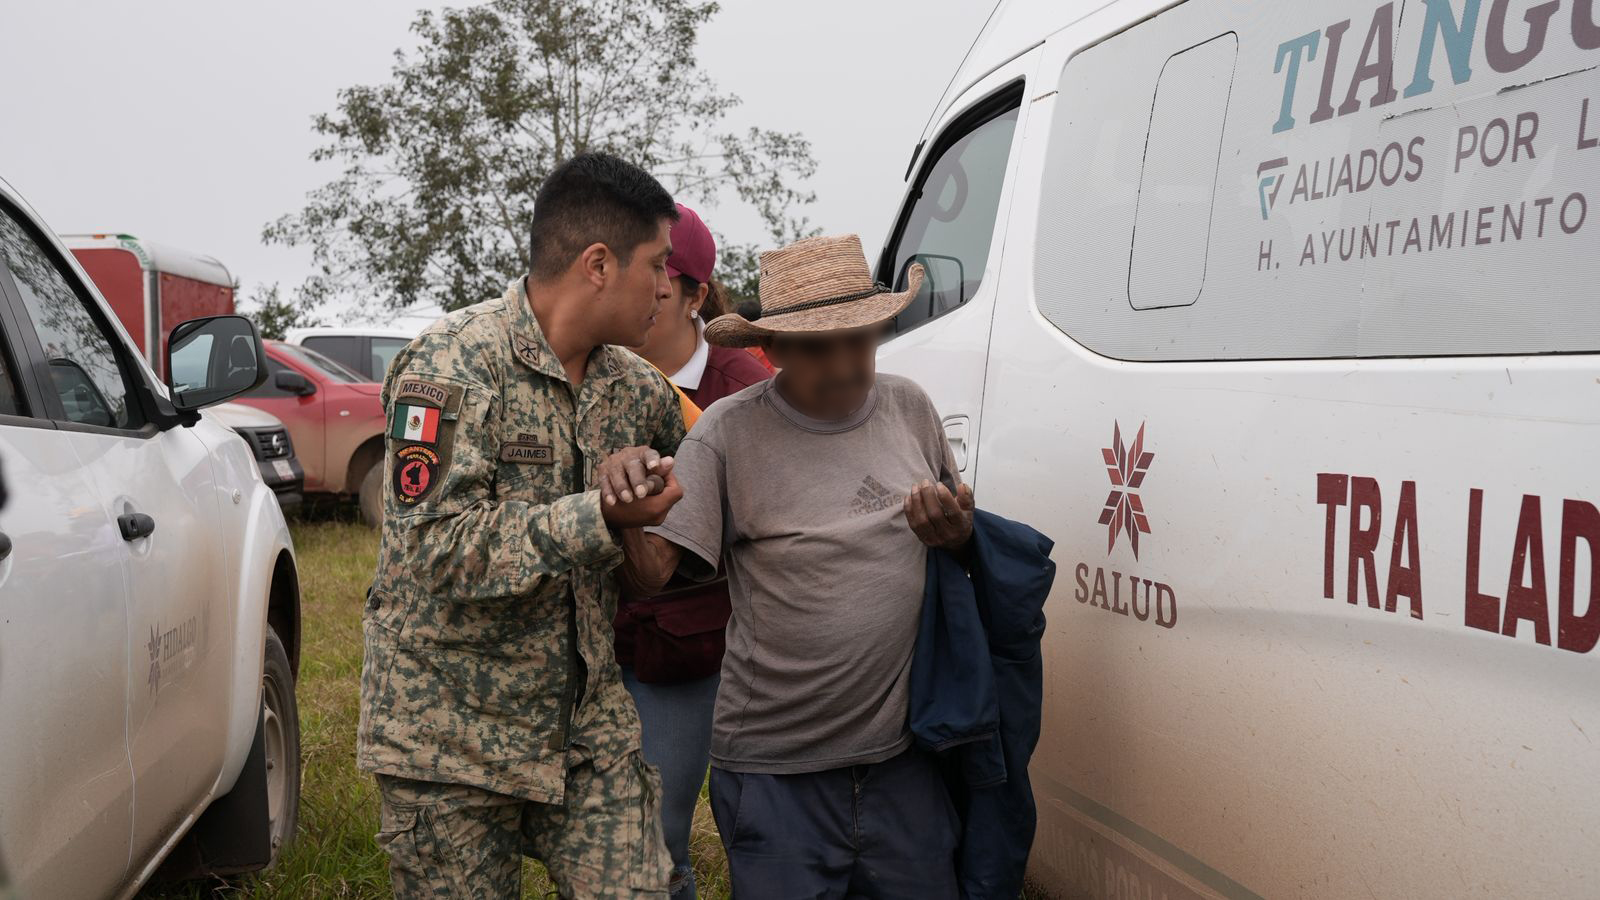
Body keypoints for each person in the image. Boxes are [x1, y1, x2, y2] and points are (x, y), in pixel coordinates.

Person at [358, 151, 690, 899]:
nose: (668, 288)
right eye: (658, 264)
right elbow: (435, 550)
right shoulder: (448, 365)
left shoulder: (638, 391)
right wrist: (599, 514)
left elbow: (668, 543)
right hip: (447, 738)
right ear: (598, 264)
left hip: (588, 730)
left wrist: (645, 519)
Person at [617, 234, 976, 898]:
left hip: (904, 762)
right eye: (818, 346)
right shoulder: (727, 431)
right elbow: (652, 575)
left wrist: (956, 536)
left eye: (861, 339)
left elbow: (962, 545)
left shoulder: (910, 408)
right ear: (772, 350)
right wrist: (625, 509)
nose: (845, 364)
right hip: (774, 771)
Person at [613, 203, 770, 900]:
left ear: (696, 294)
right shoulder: (597, 372)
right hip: (596, 643)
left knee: (661, 840)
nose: (645, 296)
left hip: (693, 652)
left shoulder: (743, 383)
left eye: (660, 278)